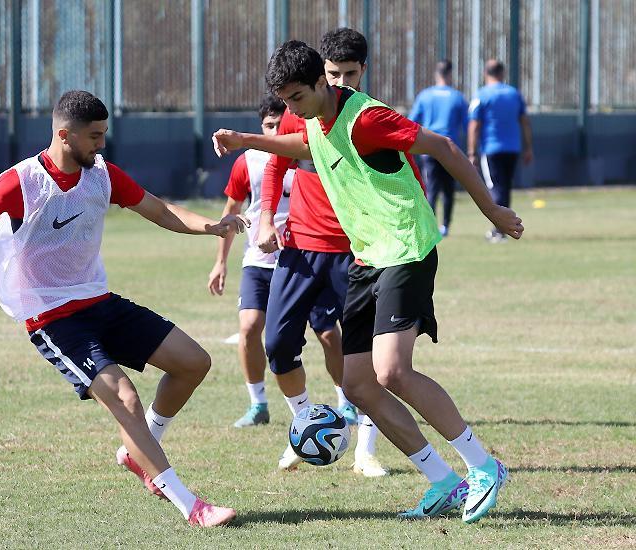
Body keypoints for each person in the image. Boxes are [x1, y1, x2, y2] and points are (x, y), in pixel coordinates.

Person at [0, 90, 246, 527]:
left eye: (104, 134)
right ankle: (190, 506)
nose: (102, 144)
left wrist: (211, 226)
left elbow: (159, 210)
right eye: (94, 136)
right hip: (53, 317)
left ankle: (138, 450)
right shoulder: (21, 181)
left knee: (193, 362)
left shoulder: (102, 174)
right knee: (124, 397)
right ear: (65, 135)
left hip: (99, 301)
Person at [211, 41, 524, 524]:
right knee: (358, 384)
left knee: (392, 371)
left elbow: (443, 146)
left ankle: (484, 466)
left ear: (322, 82)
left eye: (297, 98)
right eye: (286, 101)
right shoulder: (314, 118)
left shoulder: (367, 119)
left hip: (405, 247)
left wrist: (493, 210)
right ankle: (444, 481)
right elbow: (303, 145)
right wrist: (246, 140)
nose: (291, 109)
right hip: (365, 257)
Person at [257, 28, 386, 477]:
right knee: (277, 344)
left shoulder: (369, 118)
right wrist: (265, 219)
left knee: (364, 354)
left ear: (363, 71)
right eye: (335, 74)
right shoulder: (299, 115)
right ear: (320, 75)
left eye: (350, 73)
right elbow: (275, 166)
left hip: (356, 252)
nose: (342, 82)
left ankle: (366, 450)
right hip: (301, 249)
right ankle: (305, 426)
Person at [207, 95, 347, 432]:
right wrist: (220, 262)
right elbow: (231, 212)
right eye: (268, 126)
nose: (274, 132)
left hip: (304, 260)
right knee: (249, 328)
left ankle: (347, 401)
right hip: (259, 262)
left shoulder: (311, 155)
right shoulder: (249, 162)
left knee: (329, 334)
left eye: (279, 125)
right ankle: (258, 404)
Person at [468, 59, 533, 243]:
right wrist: (529, 148)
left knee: (494, 188)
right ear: (502, 73)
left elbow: (474, 125)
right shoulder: (514, 93)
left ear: (485, 74)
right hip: (513, 149)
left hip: (491, 149)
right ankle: (506, 227)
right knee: (504, 188)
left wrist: (472, 152)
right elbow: (525, 122)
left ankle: (499, 230)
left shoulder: (482, 94)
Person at [409, 59, 468, 237]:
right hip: (449, 149)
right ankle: (446, 226)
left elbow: (411, 121)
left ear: (437, 74)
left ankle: (430, 225)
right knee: (448, 189)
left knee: (430, 188)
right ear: (450, 74)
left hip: (428, 149)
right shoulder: (457, 97)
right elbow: (467, 125)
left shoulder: (425, 96)